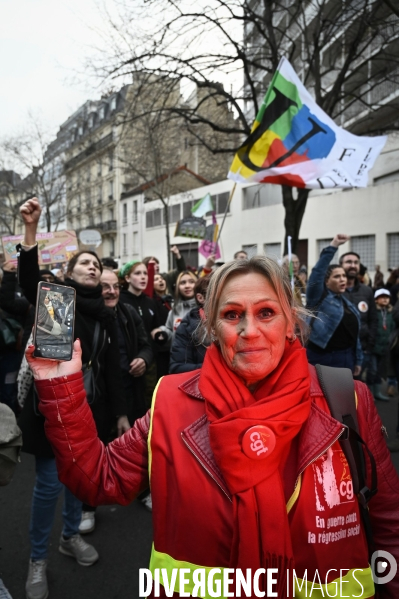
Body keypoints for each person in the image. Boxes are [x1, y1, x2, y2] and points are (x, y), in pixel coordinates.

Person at [27, 255, 399, 598]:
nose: (250, 330)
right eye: (233, 314)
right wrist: (60, 387)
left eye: (267, 312)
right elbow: (96, 478)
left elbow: (388, 520)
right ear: (210, 324)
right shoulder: (171, 400)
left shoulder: (346, 398)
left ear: (292, 322)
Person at [17, 198, 130, 599]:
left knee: (79, 483)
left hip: (88, 410)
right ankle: (37, 560)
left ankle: (69, 537)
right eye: (85, 263)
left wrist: (119, 413)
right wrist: (31, 231)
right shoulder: (57, 299)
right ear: (68, 271)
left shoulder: (106, 314)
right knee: (49, 483)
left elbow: (111, 368)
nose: (93, 268)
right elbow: (30, 282)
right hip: (52, 411)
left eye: (97, 266)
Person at [306, 235, 363, 375]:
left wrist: (358, 360)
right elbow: (317, 273)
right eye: (337, 276)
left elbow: (355, 336)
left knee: (343, 396)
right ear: (326, 281)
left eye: (343, 275)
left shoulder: (347, 304)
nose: (342, 279)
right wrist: (334, 245)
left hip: (346, 358)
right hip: (321, 358)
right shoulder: (318, 297)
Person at [339, 249, 378, 381]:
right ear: (341, 265)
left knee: (358, 390)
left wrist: (369, 346)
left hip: (363, 349)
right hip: (339, 352)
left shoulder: (366, 291)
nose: (353, 265)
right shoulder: (334, 291)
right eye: (348, 262)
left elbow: (373, 319)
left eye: (356, 262)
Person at [169, 275, 211, 374]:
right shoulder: (186, 327)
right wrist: (214, 367)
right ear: (200, 298)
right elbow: (177, 367)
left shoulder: (237, 321)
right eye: (215, 294)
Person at [154, 270, 198, 343]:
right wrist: (162, 331)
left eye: (191, 282)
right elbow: (171, 332)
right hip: (178, 353)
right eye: (183, 283)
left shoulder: (206, 308)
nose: (187, 286)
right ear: (177, 287)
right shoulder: (175, 310)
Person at [368, 289, 395, 402]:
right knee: (372, 370)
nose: (385, 299)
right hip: (374, 346)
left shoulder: (390, 313)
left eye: (387, 297)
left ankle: (377, 391)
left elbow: (392, 328)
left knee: (379, 370)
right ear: (376, 299)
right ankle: (369, 393)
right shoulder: (374, 312)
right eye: (382, 297)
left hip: (384, 347)